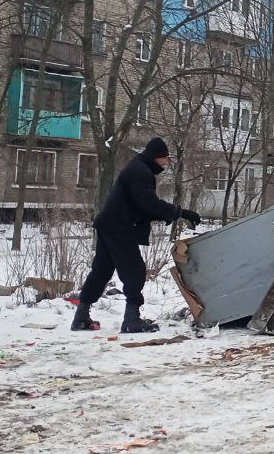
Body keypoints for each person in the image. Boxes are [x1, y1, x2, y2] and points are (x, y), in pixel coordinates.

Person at [72, 137, 201, 333]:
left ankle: (81, 317)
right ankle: (131, 320)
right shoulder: (142, 172)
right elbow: (149, 203)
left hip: (109, 224)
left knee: (101, 271)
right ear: (156, 156)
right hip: (119, 227)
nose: (166, 163)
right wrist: (180, 212)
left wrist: (165, 215)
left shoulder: (138, 168)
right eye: (165, 158)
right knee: (135, 271)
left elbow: (139, 205)